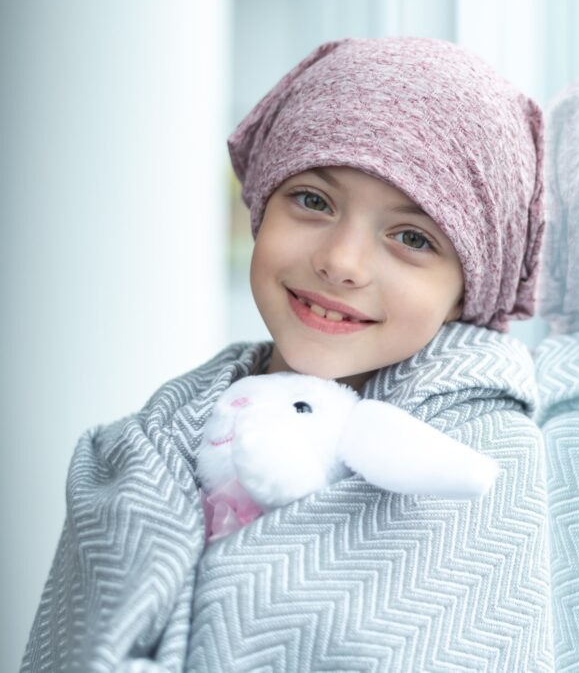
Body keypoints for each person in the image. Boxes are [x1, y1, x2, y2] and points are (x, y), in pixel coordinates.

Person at [21, 37, 551, 672]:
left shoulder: (482, 463)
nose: (341, 262)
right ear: (261, 203)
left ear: (472, 285)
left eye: (412, 237)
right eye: (312, 200)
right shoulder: (151, 440)